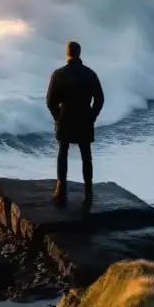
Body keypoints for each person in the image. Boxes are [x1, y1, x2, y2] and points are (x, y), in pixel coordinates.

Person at [46, 41, 104, 205]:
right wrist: (92, 116)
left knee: (63, 152)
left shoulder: (58, 74)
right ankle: (88, 191)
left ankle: (61, 188)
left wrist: (58, 116)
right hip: (84, 117)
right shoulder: (89, 74)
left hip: (65, 118)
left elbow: (50, 101)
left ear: (67, 53)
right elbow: (99, 99)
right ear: (79, 53)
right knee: (86, 155)